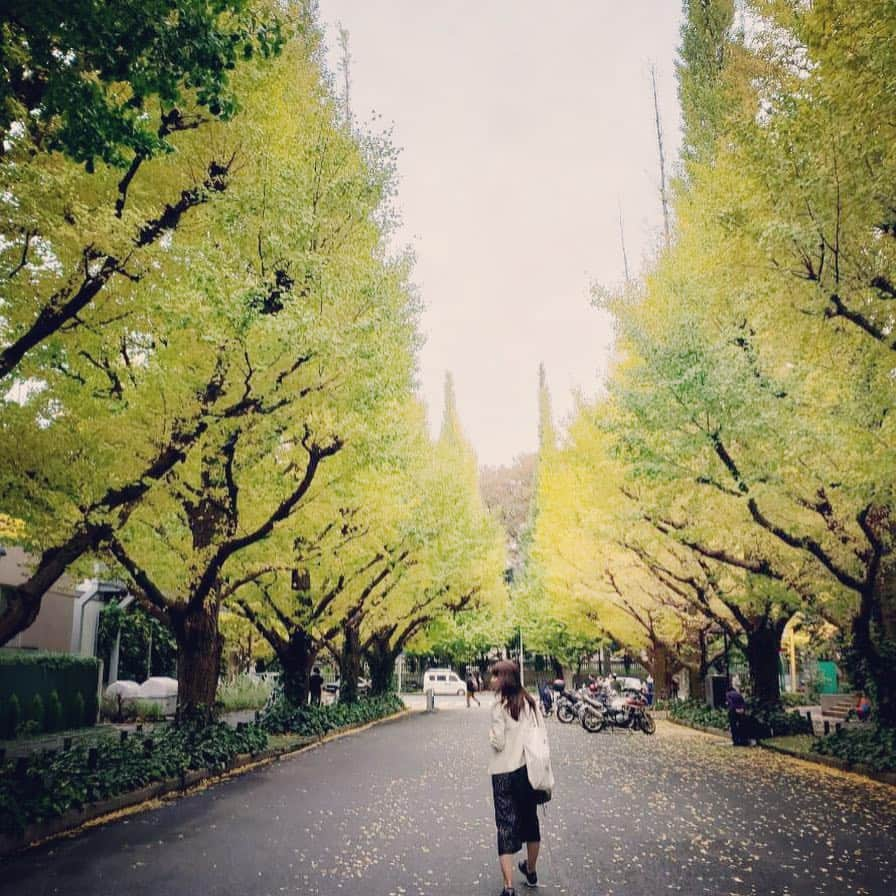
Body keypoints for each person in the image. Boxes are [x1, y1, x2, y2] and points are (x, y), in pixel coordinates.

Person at [489, 659, 544, 895]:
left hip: (503, 771)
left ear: (504, 678)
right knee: (530, 822)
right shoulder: (530, 702)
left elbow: (498, 742)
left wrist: (491, 734)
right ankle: (530, 871)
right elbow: (540, 735)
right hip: (527, 770)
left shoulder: (499, 706)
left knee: (505, 825)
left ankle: (509, 887)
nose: (491, 679)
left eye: (494, 675)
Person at [725, 681, 749, 746]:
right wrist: (742, 710)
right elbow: (743, 702)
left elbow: (730, 703)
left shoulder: (728, 694)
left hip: (733, 711)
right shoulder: (738, 694)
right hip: (741, 711)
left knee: (733, 726)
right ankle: (743, 740)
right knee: (742, 725)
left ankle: (736, 741)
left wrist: (733, 709)